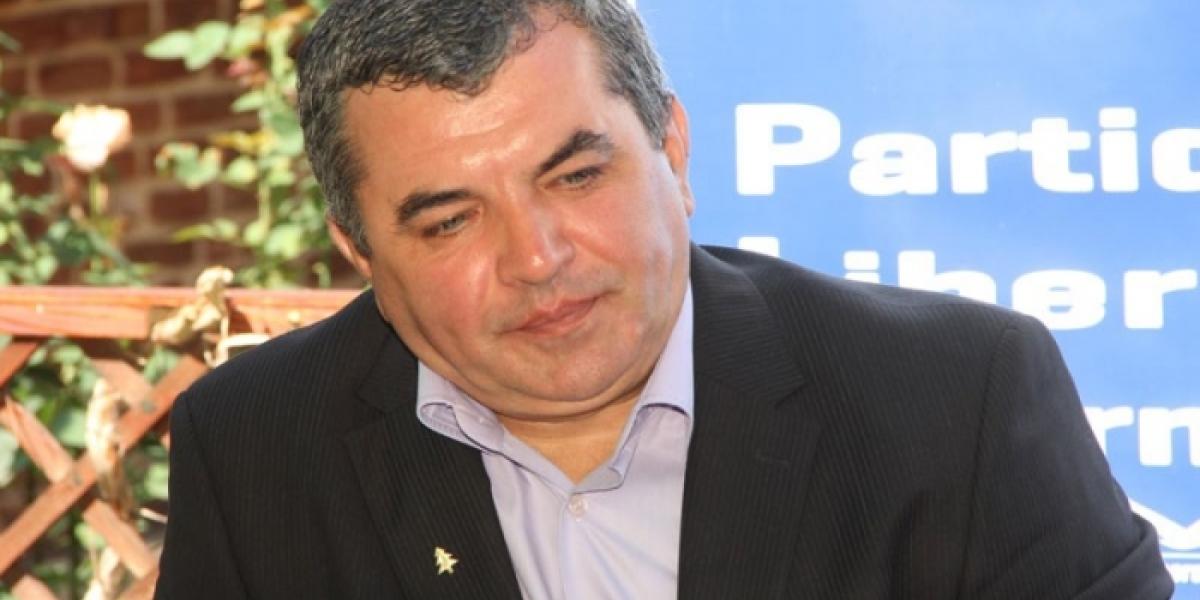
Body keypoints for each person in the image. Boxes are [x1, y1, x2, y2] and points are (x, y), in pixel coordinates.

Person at [154, 1, 1174, 598]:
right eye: (451, 220)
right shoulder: (255, 446)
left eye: (576, 176)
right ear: (360, 250)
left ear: (672, 153)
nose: (538, 259)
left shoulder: (958, 399)